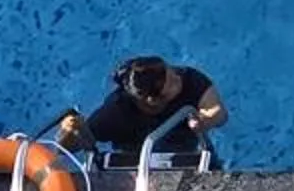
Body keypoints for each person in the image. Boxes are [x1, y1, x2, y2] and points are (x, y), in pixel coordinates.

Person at [52, 54, 227, 168]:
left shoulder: (189, 79)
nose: (178, 77)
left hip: (184, 149)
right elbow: (66, 148)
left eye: (171, 71)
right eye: (171, 83)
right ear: (152, 101)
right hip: (135, 159)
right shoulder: (116, 113)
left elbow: (219, 112)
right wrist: (67, 132)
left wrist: (205, 120)